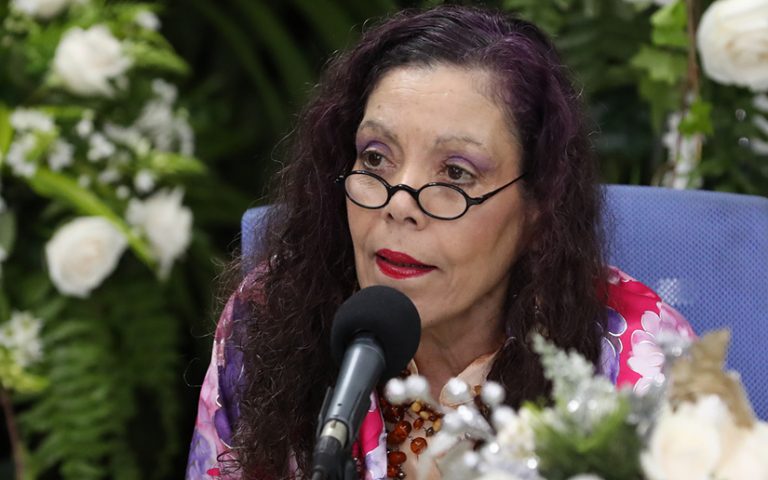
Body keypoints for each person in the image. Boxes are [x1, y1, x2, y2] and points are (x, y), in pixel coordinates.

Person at [185, 5, 694, 480]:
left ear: (539, 208)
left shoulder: (639, 361)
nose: (399, 204)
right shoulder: (270, 317)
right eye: (376, 158)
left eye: (455, 172)